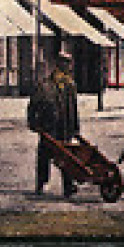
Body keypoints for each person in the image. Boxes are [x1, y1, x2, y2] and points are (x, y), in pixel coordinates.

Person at [27, 51, 80, 196]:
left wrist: (75, 127)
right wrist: (33, 123)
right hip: (49, 127)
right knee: (44, 156)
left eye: (70, 63)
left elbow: (73, 108)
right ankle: (41, 184)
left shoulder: (70, 85)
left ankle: (68, 186)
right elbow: (33, 106)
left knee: (67, 157)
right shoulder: (46, 86)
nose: (69, 66)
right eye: (66, 63)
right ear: (59, 64)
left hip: (65, 127)